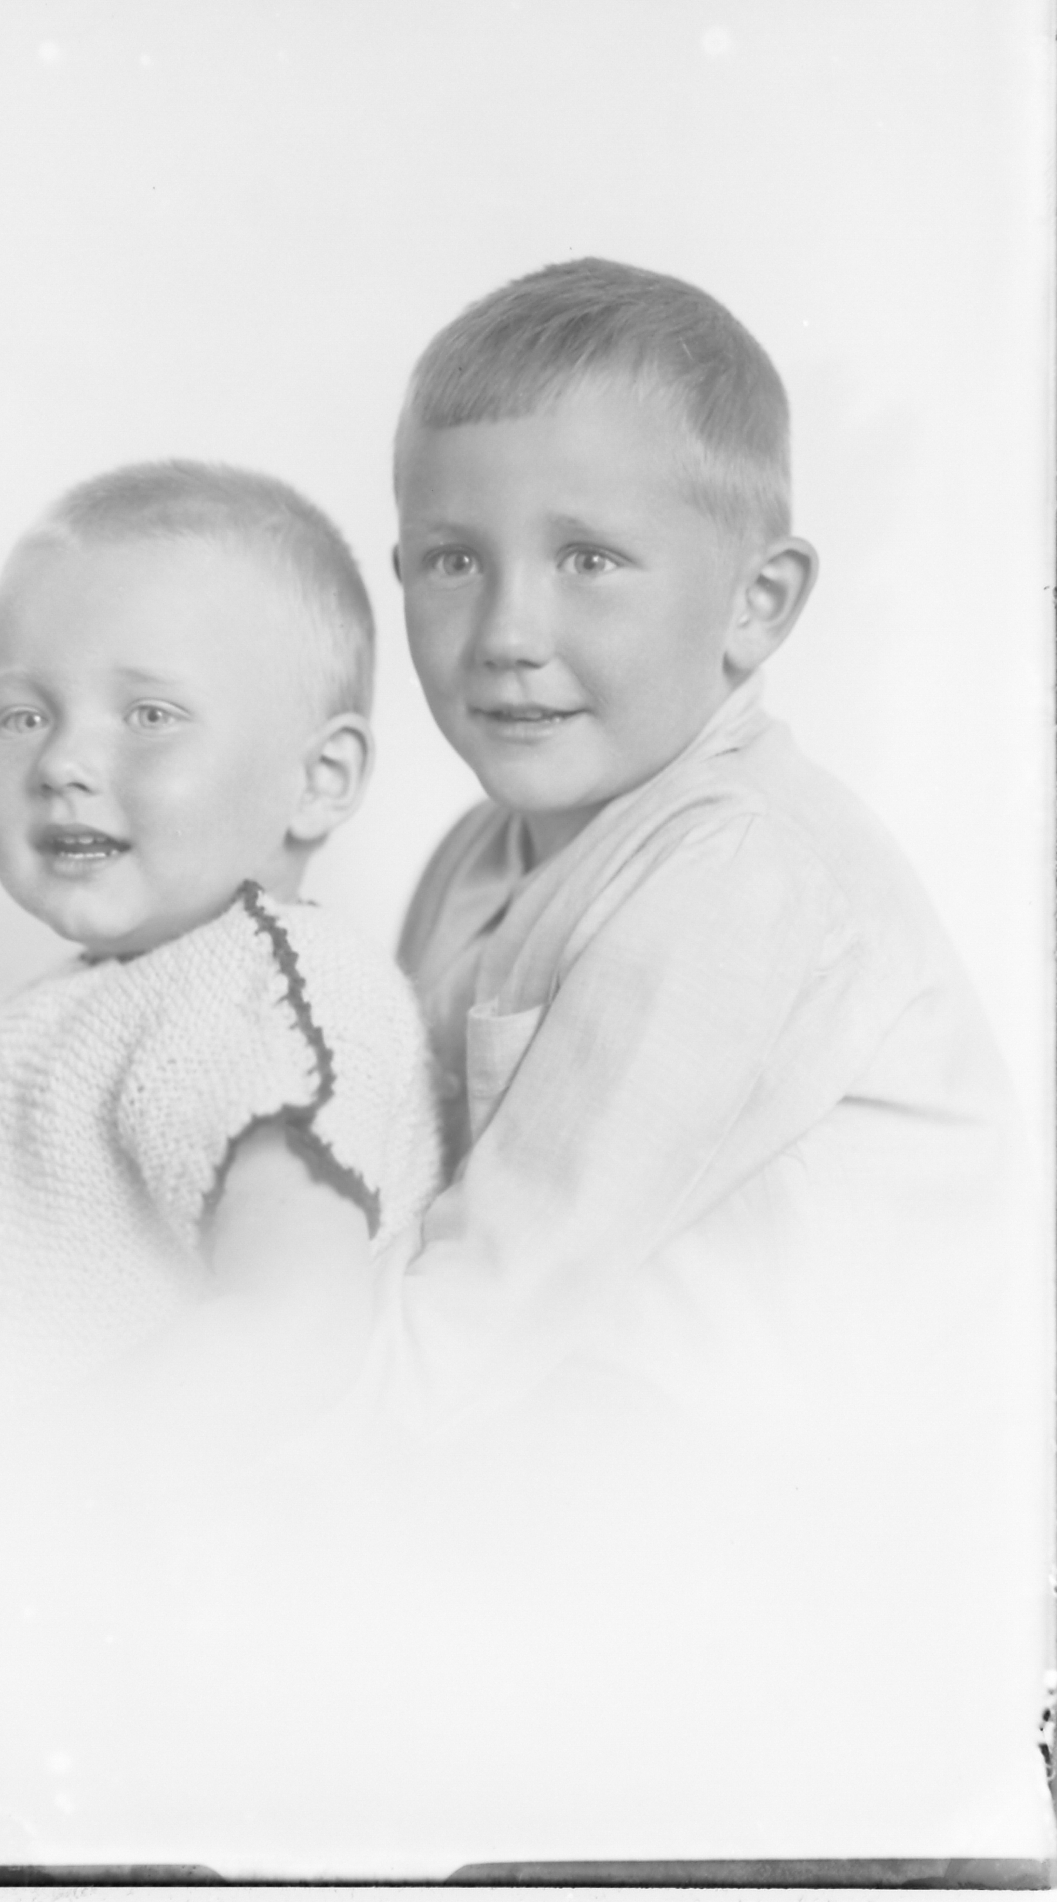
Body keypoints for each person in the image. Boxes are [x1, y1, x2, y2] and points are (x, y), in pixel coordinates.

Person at [356, 257, 1051, 1853]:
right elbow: (392, 1197)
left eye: (589, 558)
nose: (506, 631)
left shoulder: (741, 869)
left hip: (825, 1593)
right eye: (452, 559)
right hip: (600, 1507)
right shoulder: (478, 853)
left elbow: (489, 1302)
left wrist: (217, 1457)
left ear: (757, 604)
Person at [0, 461, 440, 1381]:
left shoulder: (266, 993)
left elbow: (292, 1330)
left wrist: (42, 1463)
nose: (62, 762)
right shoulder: (97, 999)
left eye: (150, 714)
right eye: (22, 716)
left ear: (317, 780)